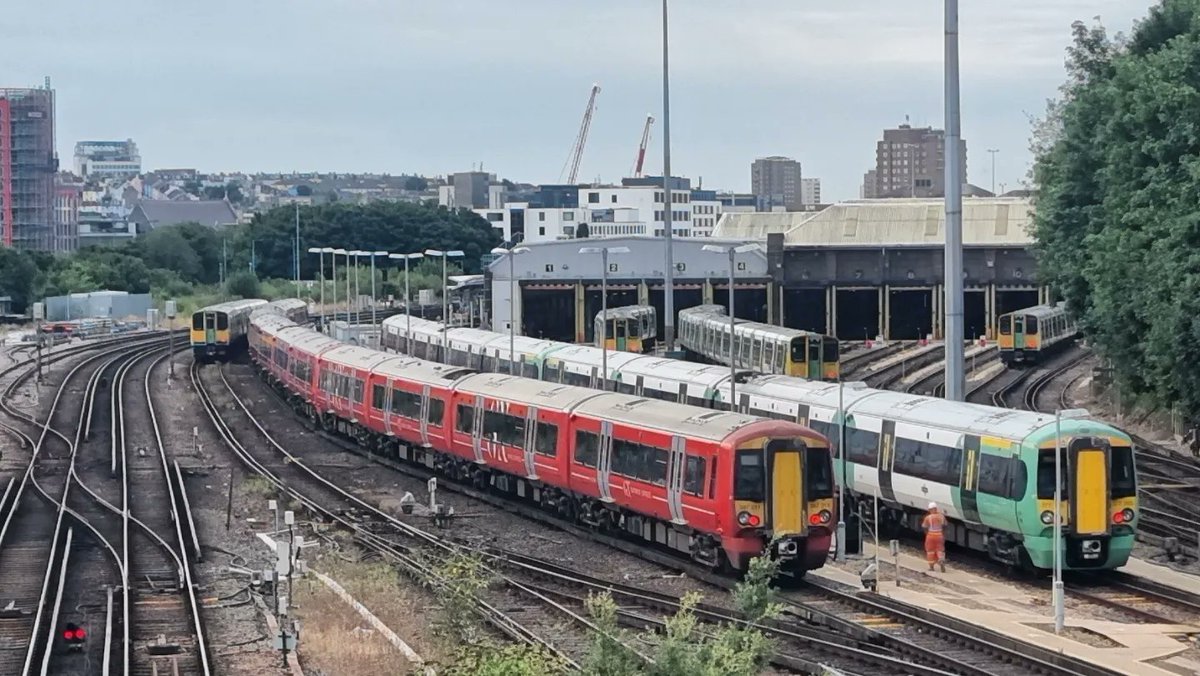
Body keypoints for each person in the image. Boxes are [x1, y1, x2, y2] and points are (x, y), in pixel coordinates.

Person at [921, 501, 947, 572]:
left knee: (930, 551)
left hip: (930, 535)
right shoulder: (942, 517)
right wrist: (943, 533)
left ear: (930, 510)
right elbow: (945, 525)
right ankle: (941, 559)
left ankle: (931, 567)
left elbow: (924, 527)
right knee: (940, 549)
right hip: (939, 535)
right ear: (936, 508)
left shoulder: (928, 518)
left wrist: (927, 533)